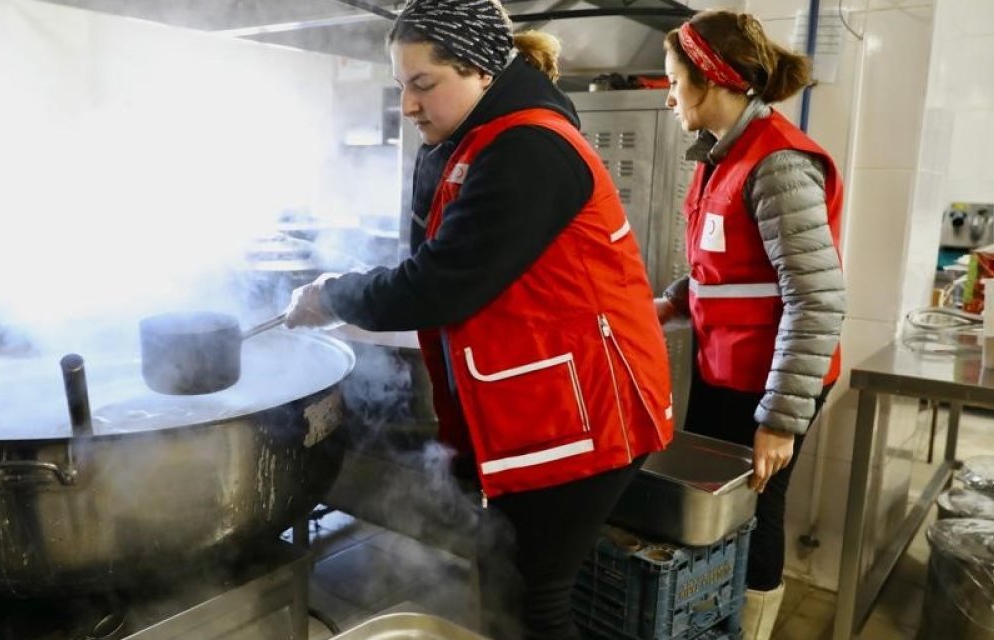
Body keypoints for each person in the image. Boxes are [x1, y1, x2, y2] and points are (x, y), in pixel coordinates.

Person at [283, 0, 675, 637]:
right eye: (401, 86)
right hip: (540, 403)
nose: (408, 105)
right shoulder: (474, 140)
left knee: (533, 599)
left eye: (422, 84)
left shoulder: (531, 149)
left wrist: (333, 294)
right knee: (506, 582)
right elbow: (435, 257)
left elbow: (443, 282)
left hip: (587, 412)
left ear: (483, 72)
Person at [654, 10, 846, 640]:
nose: (670, 97)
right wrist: (671, 303)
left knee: (755, 516)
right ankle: (711, 623)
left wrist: (779, 420)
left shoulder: (779, 164)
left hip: (770, 382)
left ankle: (749, 631)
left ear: (709, 82)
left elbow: (816, 297)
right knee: (717, 510)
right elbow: (731, 267)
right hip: (727, 368)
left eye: (674, 82)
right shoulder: (723, 156)